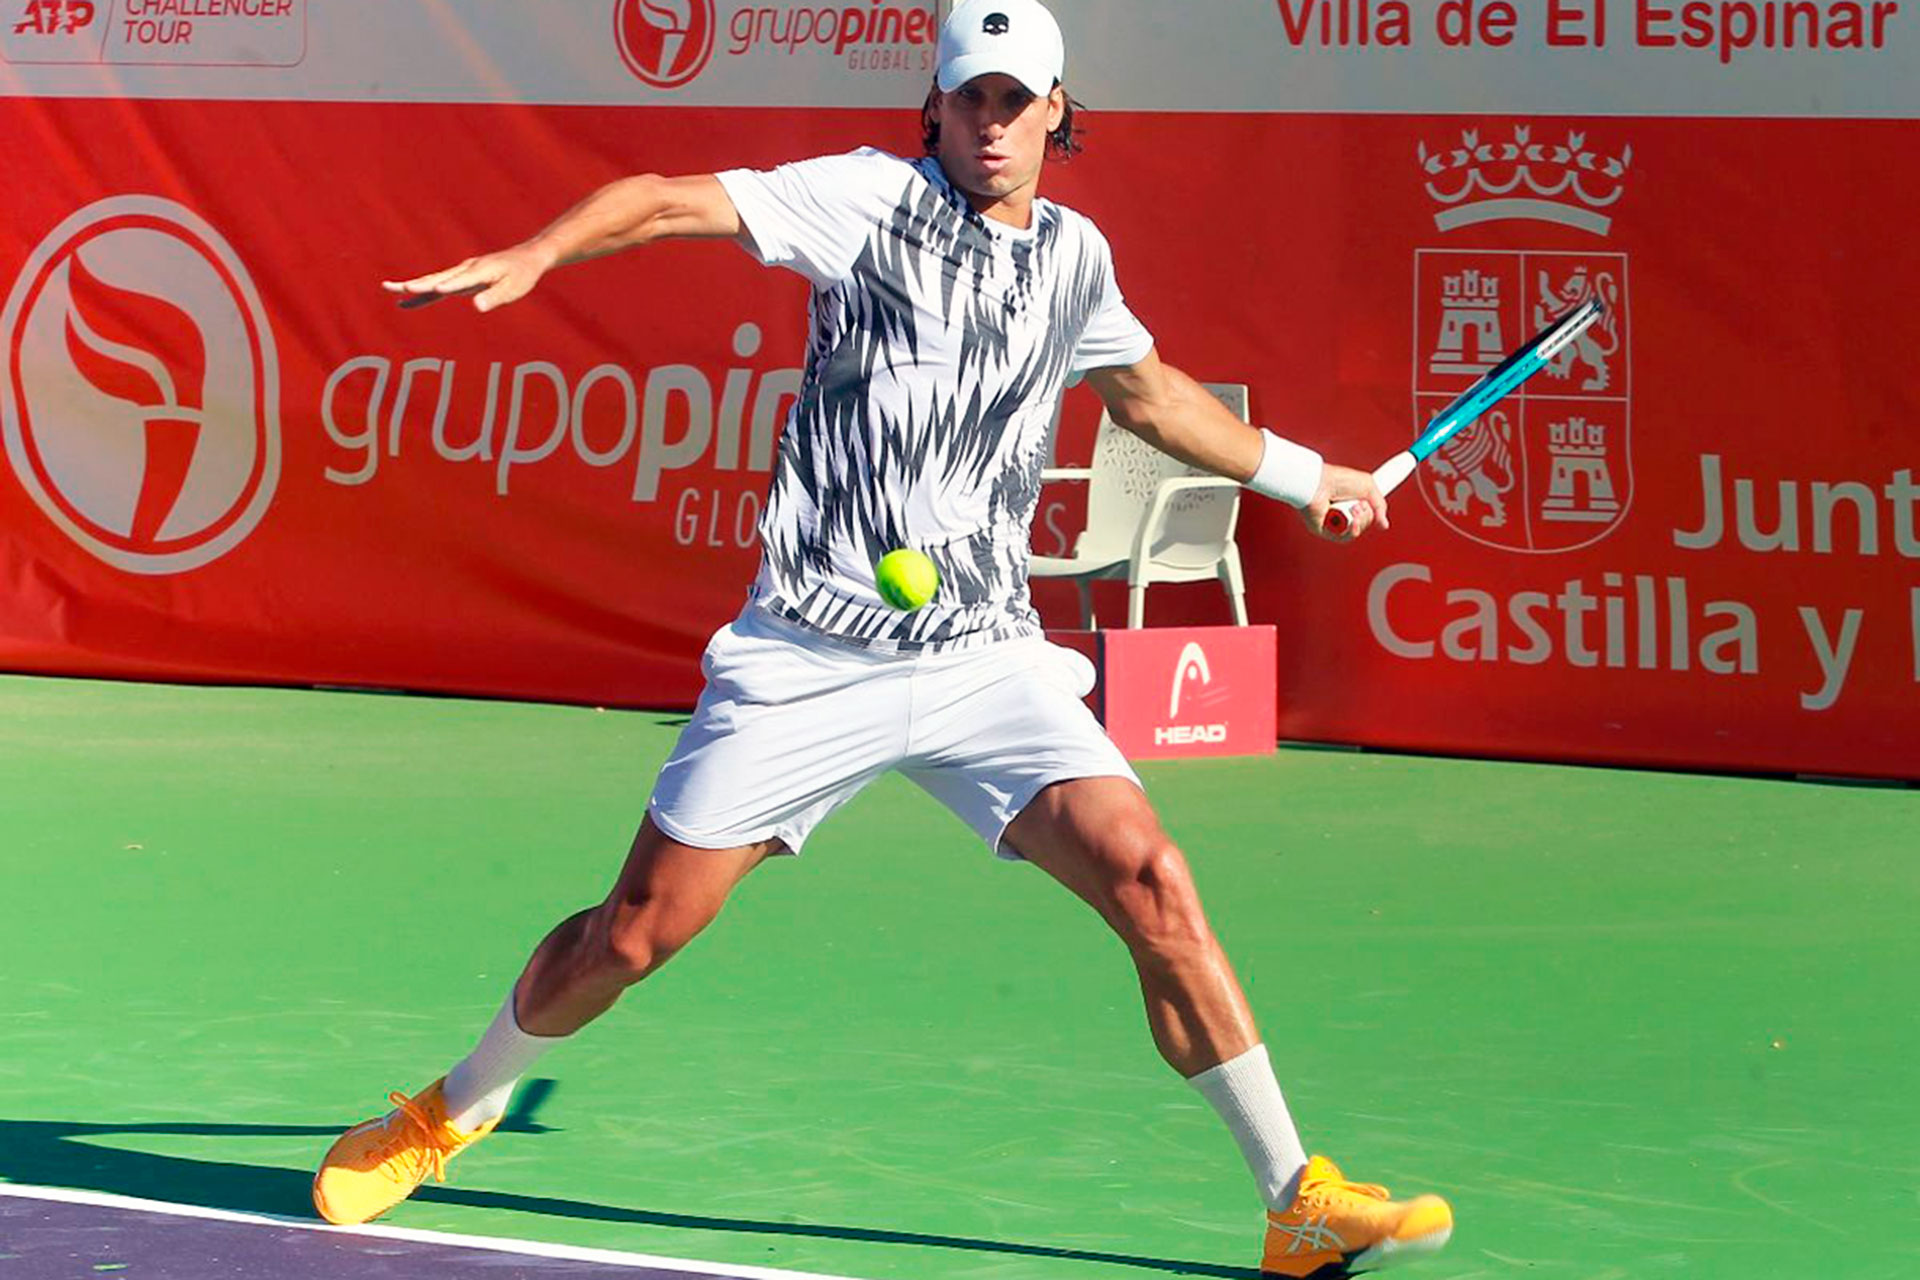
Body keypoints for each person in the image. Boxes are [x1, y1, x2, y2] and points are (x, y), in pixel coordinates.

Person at [312, 2, 1452, 1274]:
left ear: (1060, 110)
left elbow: (1152, 394)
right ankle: (449, 1106)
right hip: (810, 653)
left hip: (984, 654)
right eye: (973, 98)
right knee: (633, 933)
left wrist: (1309, 477)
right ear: (938, 105)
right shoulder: (861, 200)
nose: (994, 123)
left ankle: (1295, 1193)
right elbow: (661, 200)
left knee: (1154, 880)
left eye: (1018, 101)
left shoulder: (1077, 257)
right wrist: (538, 253)